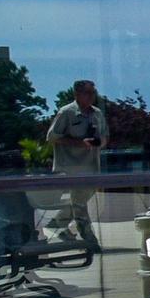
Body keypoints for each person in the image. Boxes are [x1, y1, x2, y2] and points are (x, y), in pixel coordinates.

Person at [47, 79, 109, 243]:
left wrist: (99, 142)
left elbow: (104, 135)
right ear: (77, 94)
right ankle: (88, 236)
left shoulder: (97, 113)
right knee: (79, 202)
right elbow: (52, 137)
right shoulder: (66, 112)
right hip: (71, 166)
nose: (91, 96)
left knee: (79, 200)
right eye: (87, 93)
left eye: (93, 93)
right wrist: (79, 143)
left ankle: (59, 223)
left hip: (91, 165)